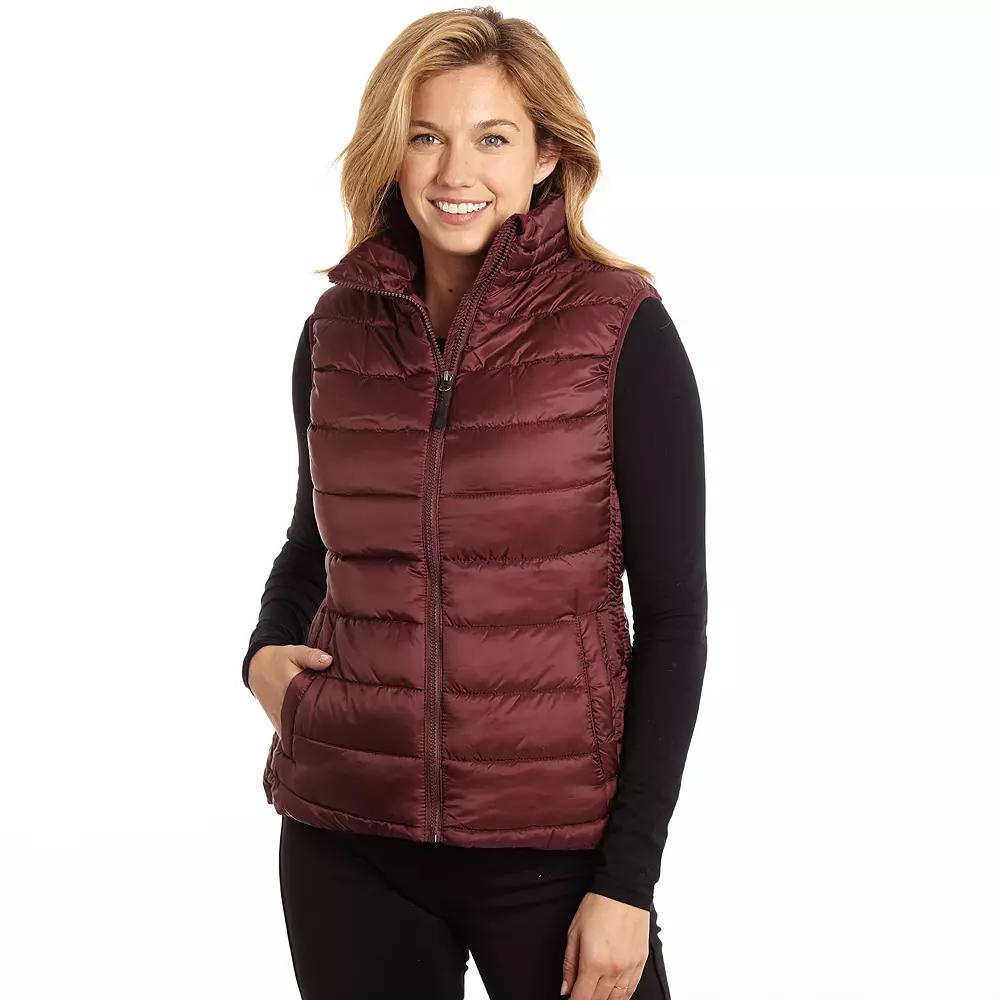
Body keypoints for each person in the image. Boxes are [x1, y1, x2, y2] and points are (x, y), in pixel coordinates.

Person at [243, 8, 707, 999]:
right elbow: (313, 540)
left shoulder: (620, 330)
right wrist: (263, 655)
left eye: (492, 138)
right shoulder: (335, 332)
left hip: (555, 849)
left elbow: (673, 618)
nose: (456, 172)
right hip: (346, 838)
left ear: (546, 155)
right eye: (426, 136)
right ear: (391, 151)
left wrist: (627, 879)